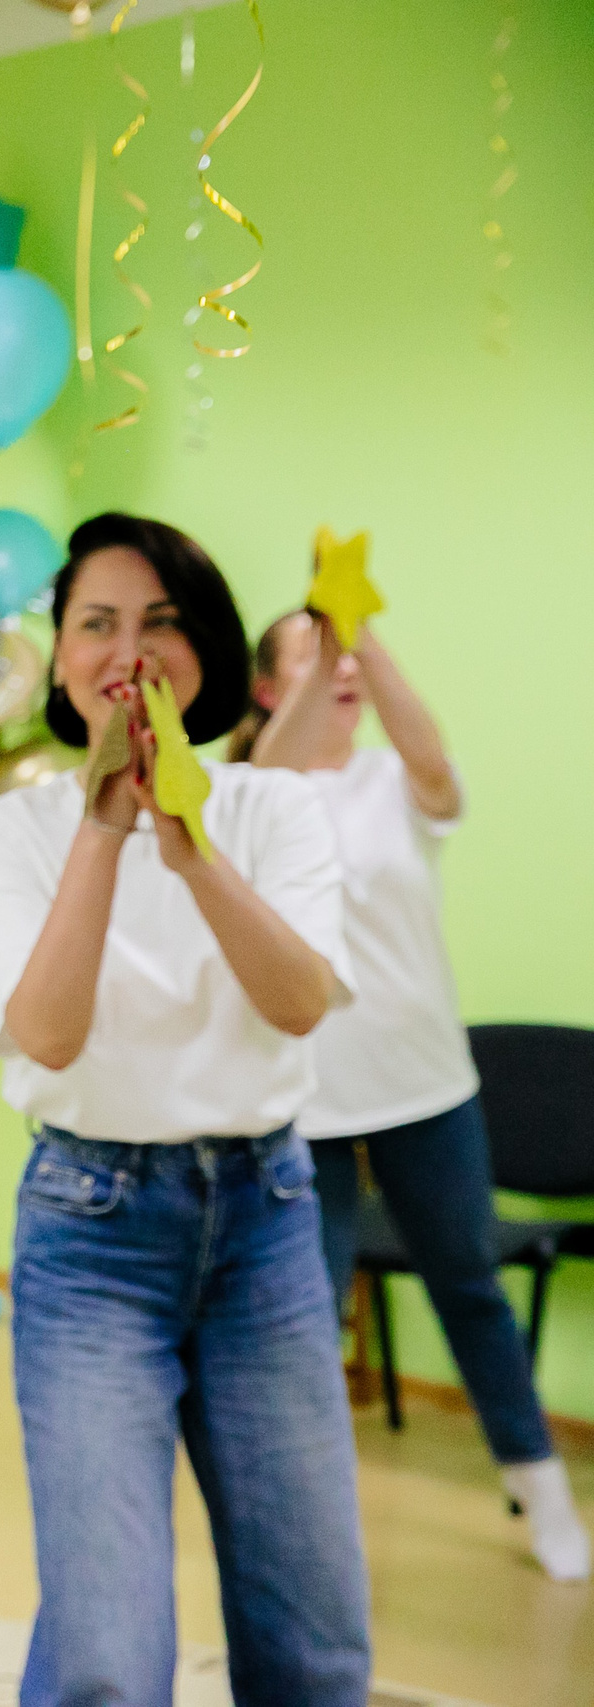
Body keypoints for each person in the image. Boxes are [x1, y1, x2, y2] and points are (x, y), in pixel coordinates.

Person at [0, 514, 369, 1706]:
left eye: (162, 622)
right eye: (97, 623)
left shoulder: (272, 814)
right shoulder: (7, 832)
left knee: (313, 1635)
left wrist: (187, 849)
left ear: (209, 652)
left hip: (268, 1220)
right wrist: (104, 823)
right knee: (105, 1658)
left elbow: (297, 1004)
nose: (127, 650)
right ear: (61, 658)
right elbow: (45, 1034)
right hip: (92, 1232)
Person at [236, 609, 589, 1582]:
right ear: (268, 689)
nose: (336, 672)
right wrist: (319, 666)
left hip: (424, 1086)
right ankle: (306, 1516)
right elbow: (266, 773)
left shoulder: (393, 784)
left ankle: (541, 1489)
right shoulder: (252, 796)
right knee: (303, 1311)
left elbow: (429, 758)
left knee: (469, 1287)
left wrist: (362, 641)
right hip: (302, 1103)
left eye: (342, 659)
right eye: (307, 660)